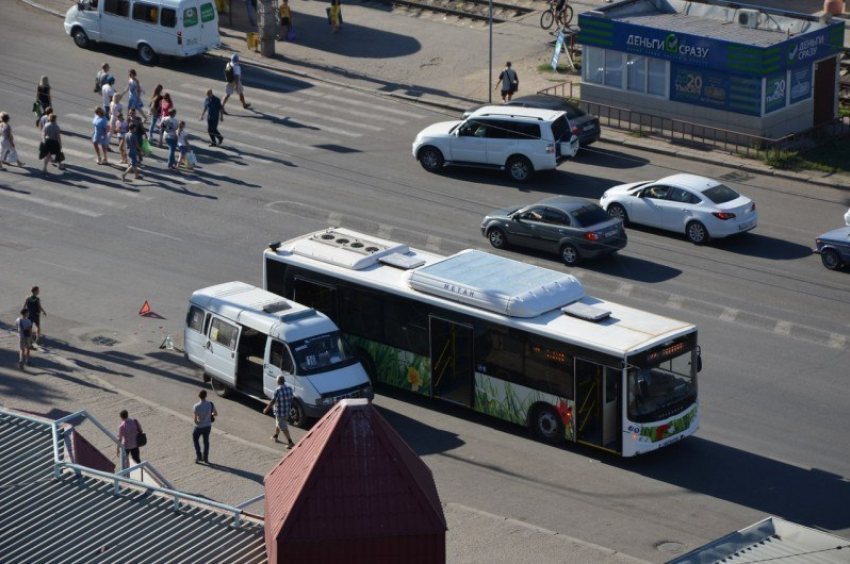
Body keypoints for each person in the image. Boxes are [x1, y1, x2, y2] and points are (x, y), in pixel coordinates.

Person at [263, 376, 296, 449]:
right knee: (278, 423)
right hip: (286, 411)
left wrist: (266, 409)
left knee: (283, 427)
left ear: (278, 381)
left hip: (280, 412)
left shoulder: (278, 390)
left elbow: (273, 401)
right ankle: (275, 436)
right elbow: (291, 399)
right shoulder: (289, 388)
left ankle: (290, 442)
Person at [192, 389, 217, 464]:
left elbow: (195, 420)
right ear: (206, 396)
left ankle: (199, 456)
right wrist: (210, 415)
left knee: (195, 439)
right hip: (208, 426)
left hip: (199, 427)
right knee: (206, 442)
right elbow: (215, 414)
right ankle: (206, 458)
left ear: (199, 396)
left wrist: (198, 422)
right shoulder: (210, 404)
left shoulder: (196, 406)